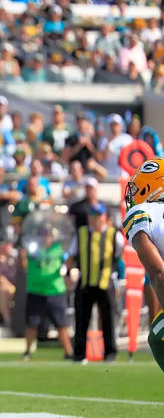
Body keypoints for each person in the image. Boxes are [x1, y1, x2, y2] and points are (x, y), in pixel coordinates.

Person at [68, 203, 122, 364]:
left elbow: (120, 256)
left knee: (108, 320)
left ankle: (110, 353)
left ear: (104, 217)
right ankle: (79, 354)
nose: (96, 219)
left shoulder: (113, 234)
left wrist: (118, 278)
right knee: (81, 319)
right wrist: (67, 273)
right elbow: (71, 255)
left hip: (106, 282)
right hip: (85, 282)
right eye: (93, 216)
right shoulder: (82, 233)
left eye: (99, 216)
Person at [124, 159, 164, 372]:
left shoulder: (142, 212)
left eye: (136, 188)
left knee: (158, 337)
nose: (133, 195)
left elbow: (159, 272)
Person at [21, 225, 74, 361]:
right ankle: (27, 351)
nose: (45, 238)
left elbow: (68, 262)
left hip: (55, 291)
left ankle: (69, 352)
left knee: (61, 325)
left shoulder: (58, 250)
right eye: (43, 235)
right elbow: (24, 263)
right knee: (31, 324)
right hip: (36, 290)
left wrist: (67, 272)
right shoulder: (32, 249)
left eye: (48, 235)